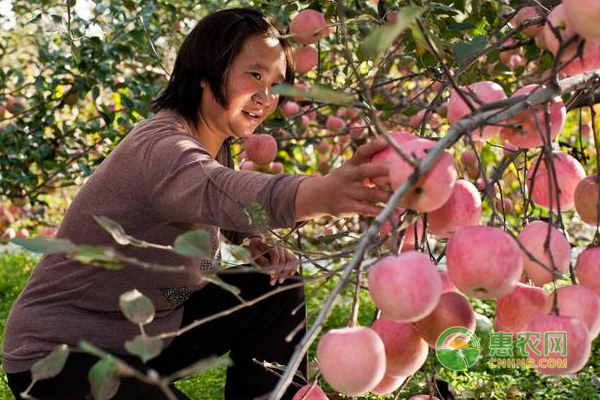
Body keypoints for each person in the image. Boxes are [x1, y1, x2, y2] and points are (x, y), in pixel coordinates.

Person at [2, 7, 391, 400]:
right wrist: (325, 193)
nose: (266, 98)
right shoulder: (164, 148)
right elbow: (215, 189)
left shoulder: (213, 144)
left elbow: (215, 202)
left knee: (273, 283)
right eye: (255, 75)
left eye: (276, 84)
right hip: (63, 354)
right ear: (207, 71)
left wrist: (252, 238)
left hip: (152, 334)